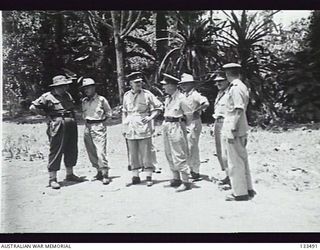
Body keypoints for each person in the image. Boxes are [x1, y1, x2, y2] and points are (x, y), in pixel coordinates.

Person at [29, 75, 82, 189]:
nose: (65, 88)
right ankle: (52, 178)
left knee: (71, 148)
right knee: (56, 150)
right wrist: (46, 115)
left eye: (65, 85)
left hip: (71, 123)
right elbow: (32, 107)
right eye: (62, 86)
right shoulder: (47, 97)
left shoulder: (67, 95)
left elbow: (72, 108)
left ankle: (70, 174)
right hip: (58, 124)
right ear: (56, 86)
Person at [221, 63, 255, 201]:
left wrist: (233, 128)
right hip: (240, 127)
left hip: (234, 127)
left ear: (228, 74)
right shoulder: (242, 86)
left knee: (234, 161)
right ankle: (248, 188)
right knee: (242, 159)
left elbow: (238, 109)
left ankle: (240, 193)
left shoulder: (235, 88)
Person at [122, 72, 163, 187]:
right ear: (130, 83)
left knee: (146, 152)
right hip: (130, 126)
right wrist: (123, 126)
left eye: (140, 82)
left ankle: (149, 176)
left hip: (143, 125)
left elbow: (159, 107)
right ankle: (135, 175)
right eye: (136, 82)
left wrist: (150, 117)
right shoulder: (126, 95)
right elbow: (124, 112)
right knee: (133, 152)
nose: (139, 84)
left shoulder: (147, 94)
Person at [161, 73, 193, 192]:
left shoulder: (181, 98)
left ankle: (186, 181)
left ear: (172, 86)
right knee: (168, 152)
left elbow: (189, 115)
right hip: (167, 125)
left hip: (176, 125)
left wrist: (184, 127)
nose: (163, 87)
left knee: (178, 153)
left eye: (165, 85)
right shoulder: (168, 98)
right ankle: (176, 178)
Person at [81, 78, 112, 185]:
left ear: (94, 87)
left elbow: (109, 113)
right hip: (87, 126)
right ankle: (98, 170)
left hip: (98, 126)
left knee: (100, 151)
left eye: (89, 87)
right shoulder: (84, 101)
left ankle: (105, 173)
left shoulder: (101, 100)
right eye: (85, 88)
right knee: (91, 151)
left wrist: (102, 123)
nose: (86, 90)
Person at [179, 73, 209, 180]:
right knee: (185, 146)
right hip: (185, 122)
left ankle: (195, 170)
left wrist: (198, 110)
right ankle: (189, 168)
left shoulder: (195, 95)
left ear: (192, 84)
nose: (184, 86)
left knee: (193, 146)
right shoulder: (183, 95)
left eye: (186, 84)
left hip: (194, 122)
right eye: (182, 84)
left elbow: (205, 103)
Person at [211, 75, 230, 187]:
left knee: (226, 152)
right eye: (216, 82)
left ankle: (231, 177)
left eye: (221, 81)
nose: (218, 84)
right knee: (220, 151)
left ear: (227, 80)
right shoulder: (219, 94)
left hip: (226, 122)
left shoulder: (230, 93)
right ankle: (227, 175)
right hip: (218, 122)